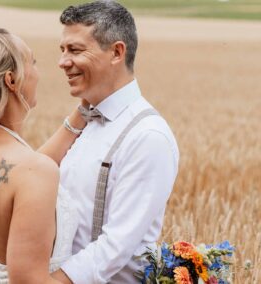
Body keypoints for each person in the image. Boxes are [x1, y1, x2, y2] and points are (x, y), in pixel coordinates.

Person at [51, 1, 180, 283]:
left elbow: (117, 246)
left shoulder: (147, 136)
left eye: (75, 50)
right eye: (62, 50)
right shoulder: (82, 122)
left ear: (117, 52)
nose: (63, 61)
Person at [0, 28, 86, 283]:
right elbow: (29, 280)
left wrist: (77, 118)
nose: (37, 72)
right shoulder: (33, 172)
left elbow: (22, 174)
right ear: (11, 80)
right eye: (32, 62)